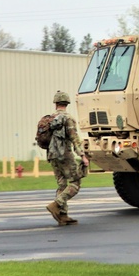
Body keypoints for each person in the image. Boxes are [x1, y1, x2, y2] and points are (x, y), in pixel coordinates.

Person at [45, 90, 88, 225]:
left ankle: (62, 216)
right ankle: (56, 204)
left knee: (62, 184)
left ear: (56, 103)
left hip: (52, 155)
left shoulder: (49, 119)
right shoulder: (68, 118)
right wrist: (82, 155)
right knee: (76, 182)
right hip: (65, 155)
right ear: (67, 103)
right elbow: (74, 138)